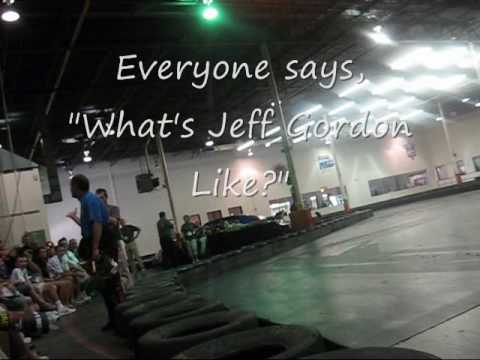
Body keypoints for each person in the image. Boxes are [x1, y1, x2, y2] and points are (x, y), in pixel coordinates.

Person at [67, 175, 122, 332]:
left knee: (111, 284)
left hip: (104, 244)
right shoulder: (87, 200)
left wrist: (95, 248)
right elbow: (89, 225)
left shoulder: (90, 200)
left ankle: (121, 322)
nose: (70, 189)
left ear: (77, 186)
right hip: (101, 242)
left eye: (71, 186)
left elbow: (97, 224)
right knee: (105, 286)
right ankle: (114, 320)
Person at [10, 256, 74, 317]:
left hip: (27, 286)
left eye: (25, 261)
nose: (24, 263)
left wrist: (35, 284)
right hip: (19, 289)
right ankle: (59, 306)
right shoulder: (16, 270)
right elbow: (23, 282)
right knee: (49, 286)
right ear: (16, 263)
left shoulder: (24, 270)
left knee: (51, 286)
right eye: (21, 261)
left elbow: (28, 281)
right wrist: (35, 286)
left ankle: (60, 306)